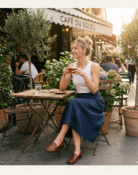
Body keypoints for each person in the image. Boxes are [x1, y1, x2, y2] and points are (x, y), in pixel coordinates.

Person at [45, 36, 104, 165]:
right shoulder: (72, 66)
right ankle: (77, 151)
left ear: (83, 50)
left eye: (75, 48)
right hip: (80, 102)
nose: (72, 51)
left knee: (73, 103)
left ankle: (59, 140)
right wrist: (64, 74)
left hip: (94, 101)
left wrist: (84, 75)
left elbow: (94, 90)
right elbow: (62, 88)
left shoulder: (94, 66)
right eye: (72, 48)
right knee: (74, 106)